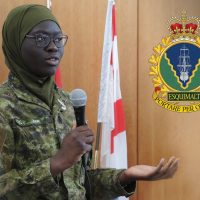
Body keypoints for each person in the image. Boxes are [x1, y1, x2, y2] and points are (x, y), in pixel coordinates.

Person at [0, 4, 179, 200]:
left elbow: (78, 183)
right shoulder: (4, 107)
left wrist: (124, 176)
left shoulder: (66, 103)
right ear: (15, 43)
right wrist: (57, 163)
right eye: (41, 38)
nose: (53, 47)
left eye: (58, 39)